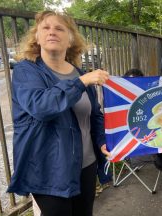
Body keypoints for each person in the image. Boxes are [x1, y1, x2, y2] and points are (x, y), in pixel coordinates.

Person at [7, 11, 110, 216]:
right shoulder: (26, 71)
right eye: (46, 28)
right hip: (48, 170)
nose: (52, 32)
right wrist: (80, 83)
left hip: (86, 166)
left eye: (59, 28)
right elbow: (41, 107)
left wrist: (102, 141)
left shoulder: (79, 74)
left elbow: (95, 115)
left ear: (70, 39)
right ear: (36, 37)